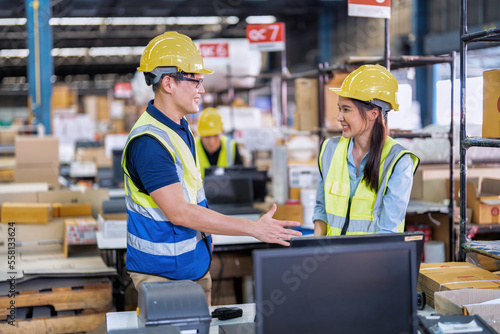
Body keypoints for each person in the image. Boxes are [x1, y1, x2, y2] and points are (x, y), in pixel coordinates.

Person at [121, 31, 301, 305]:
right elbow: (180, 212)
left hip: (191, 265)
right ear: (168, 83)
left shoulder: (180, 129)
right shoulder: (150, 143)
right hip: (163, 276)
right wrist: (253, 228)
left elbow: (192, 198)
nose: (202, 90)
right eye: (196, 81)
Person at [313, 64, 420, 236]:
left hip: (374, 260)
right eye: (339, 109)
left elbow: (387, 230)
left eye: (346, 110)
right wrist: (314, 249)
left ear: (373, 114)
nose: (339, 117)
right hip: (331, 258)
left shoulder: (398, 161)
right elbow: (321, 209)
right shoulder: (329, 150)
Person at [195, 107, 243, 178]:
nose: (212, 142)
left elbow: (242, 175)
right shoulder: (192, 146)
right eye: (207, 136)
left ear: (222, 132)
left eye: (215, 136)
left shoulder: (230, 145)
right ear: (200, 135)